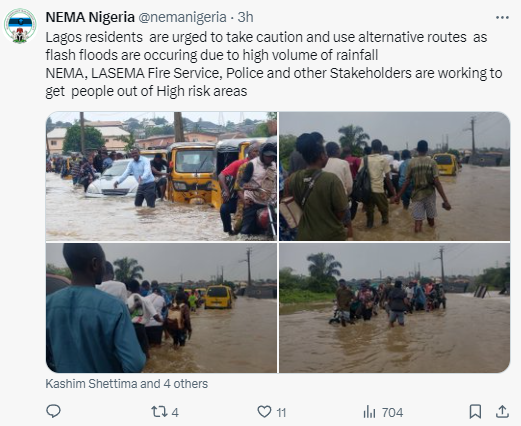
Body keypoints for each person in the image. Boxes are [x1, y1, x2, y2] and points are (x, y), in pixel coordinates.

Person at [46, 243, 145, 373]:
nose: (104, 268)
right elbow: (134, 364)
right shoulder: (115, 307)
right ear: (95, 264)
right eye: (103, 263)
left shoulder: (47, 305)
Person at [287, 133, 348, 241]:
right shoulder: (331, 179)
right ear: (321, 156)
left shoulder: (292, 179)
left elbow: (287, 203)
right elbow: (341, 210)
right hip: (331, 235)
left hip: (304, 235)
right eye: (325, 154)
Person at [393, 140, 452, 232]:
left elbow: (407, 181)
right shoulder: (432, 162)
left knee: (418, 221)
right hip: (429, 194)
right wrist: (445, 200)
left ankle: (417, 238)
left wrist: (398, 196)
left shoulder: (411, 163)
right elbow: (437, 183)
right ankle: (431, 237)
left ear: (417, 150)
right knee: (431, 221)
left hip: (416, 195)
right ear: (427, 149)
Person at [218, 142, 260, 235]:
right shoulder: (240, 165)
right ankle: (230, 231)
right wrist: (226, 191)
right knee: (224, 209)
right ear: (249, 152)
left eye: (259, 151)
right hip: (239, 197)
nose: (258, 154)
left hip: (258, 197)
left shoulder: (263, 166)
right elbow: (221, 175)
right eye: (255, 151)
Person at [240, 142, 277, 235]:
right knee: (246, 230)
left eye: (272, 156)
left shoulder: (274, 165)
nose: (270, 158)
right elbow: (243, 181)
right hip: (253, 200)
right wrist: (246, 186)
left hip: (270, 201)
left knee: (277, 226)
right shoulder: (252, 164)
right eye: (267, 156)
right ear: (261, 154)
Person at [361, 139, 396, 228]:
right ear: (380, 148)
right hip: (379, 190)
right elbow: (388, 180)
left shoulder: (364, 159)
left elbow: (360, 176)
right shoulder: (383, 159)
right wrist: (394, 194)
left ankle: (369, 229)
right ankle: (385, 230)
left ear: (372, 147)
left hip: (367, 191)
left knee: (369, 213)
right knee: (384, 211)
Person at [324, 142, 354, 240]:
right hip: (341, 199)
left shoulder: (322, 165)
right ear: (337, 151)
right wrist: (347, 195)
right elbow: (349, 185)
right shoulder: (343, 163)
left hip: (326, 202)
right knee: (347, 225)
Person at [126, 280, 162, 359]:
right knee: (145, 352)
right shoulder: (145, 299)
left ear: (129, 289)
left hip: (128, 329)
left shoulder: (126, 301)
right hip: (140, 328)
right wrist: (163, 322)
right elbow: (155, 316)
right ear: (139, 287)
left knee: (133, 351)